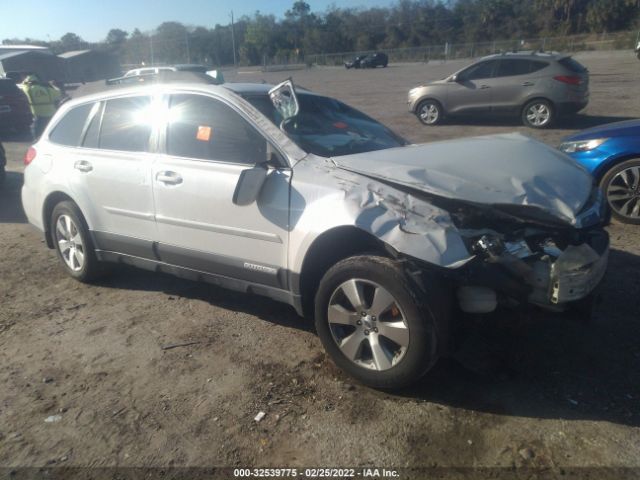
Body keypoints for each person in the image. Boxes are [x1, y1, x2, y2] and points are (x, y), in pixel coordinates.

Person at [19, 75, 62, 139]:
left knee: (37, 135)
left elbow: (22, 85)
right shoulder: (48, 90)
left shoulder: (28, 90)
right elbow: (59, 92)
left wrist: (25, 81)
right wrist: (52, 85)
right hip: (52, 115)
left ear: (29, 83)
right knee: (53, 133)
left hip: (39, 116)